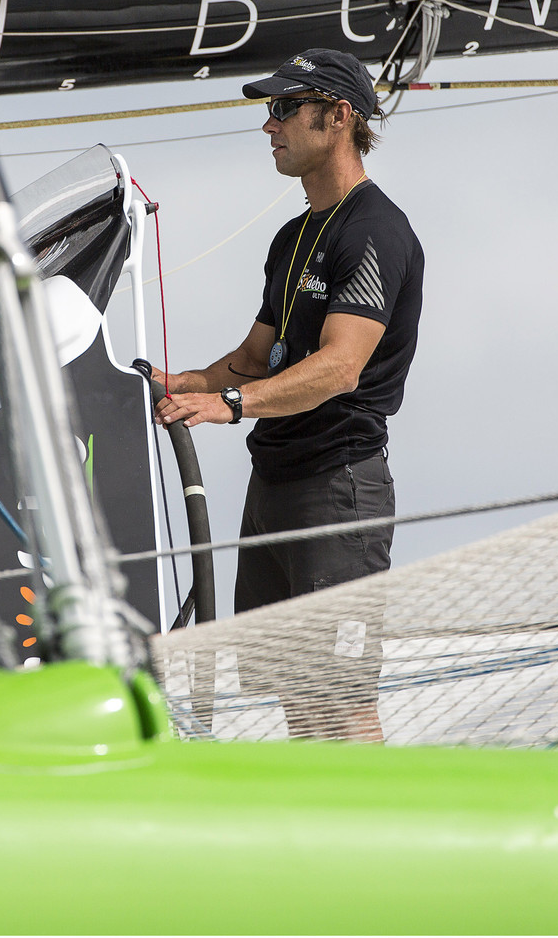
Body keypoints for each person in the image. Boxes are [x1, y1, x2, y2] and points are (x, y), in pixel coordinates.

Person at [153, 48, 423, 738]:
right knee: (297, 695)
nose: (267, 126)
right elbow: (253, 357)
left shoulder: (373, 232)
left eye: (282, 109)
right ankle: (329, 841)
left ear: (338, 117)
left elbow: (339, 367)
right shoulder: (292, 236)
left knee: (340, 698)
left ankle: (373, 845)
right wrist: (184, 385)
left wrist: (231, 407)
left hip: (337, 486)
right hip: (273, 484)